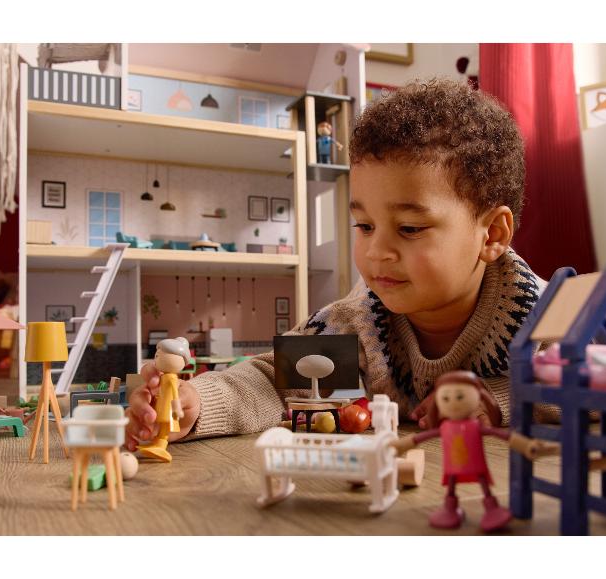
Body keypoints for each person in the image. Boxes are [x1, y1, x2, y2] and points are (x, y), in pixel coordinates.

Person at [125, 77, 550, 453]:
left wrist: (499, 400)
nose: (376, 252)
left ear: (491, 234)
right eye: (363, 225)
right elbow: (274, 381)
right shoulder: (357, 322)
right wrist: (195, 402)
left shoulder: (545, 315)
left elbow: (594, 382)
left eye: (410, 228)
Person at [391, 371, 552, 531]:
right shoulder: (447, 427)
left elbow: (503, 435)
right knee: (452, 484)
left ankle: (491, 509)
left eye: (460, 397)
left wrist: (524, 444)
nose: (453, 403)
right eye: (446, 398)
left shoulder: (474, 426)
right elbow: (420, 438)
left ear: (479, 396)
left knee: (483, 484)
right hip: (453, 464)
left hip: (476, 463)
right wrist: (400, 446)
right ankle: (450, 508)